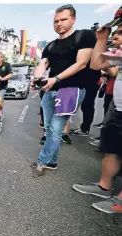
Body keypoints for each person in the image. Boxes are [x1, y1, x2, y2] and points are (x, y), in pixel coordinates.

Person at [30, 5, 95, 178]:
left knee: (55, 129)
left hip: (70, 90)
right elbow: (42, 64)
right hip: (50, 90)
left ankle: (43, 161)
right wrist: (36, 79)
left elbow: (81, 63)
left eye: (63, 19)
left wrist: (56, 78)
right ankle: (52, 161)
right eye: (56, 21)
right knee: (49, 127)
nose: (59, 23)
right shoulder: (51, 45)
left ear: (73, 19)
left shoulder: (84, 36)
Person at [72, 17, 122, 214]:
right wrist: (101, 39)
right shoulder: (119, 53)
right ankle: (103, 187)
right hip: (117, 109)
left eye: (119, 33)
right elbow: (96, 64)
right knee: (109, 149)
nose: (116, 36)